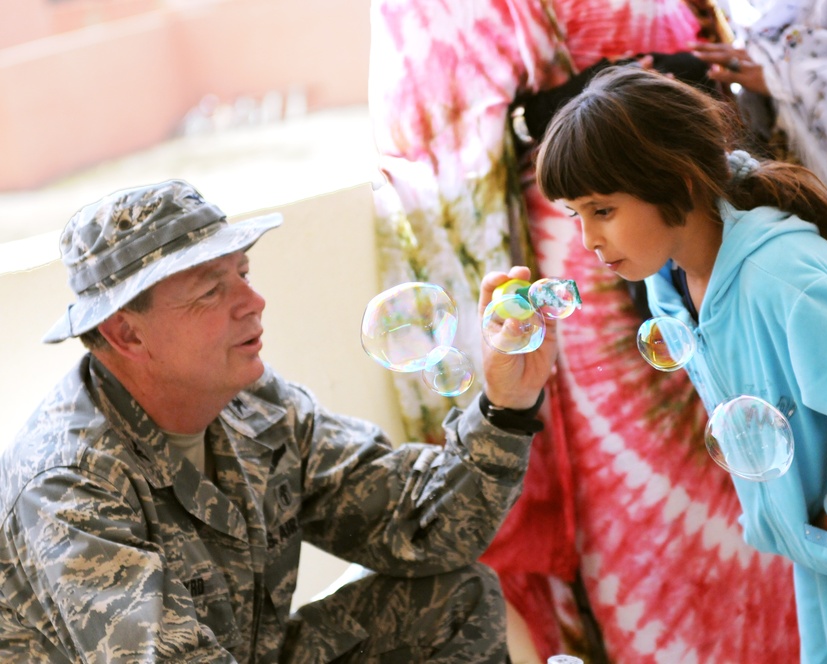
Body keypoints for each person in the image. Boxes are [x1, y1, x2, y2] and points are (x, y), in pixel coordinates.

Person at [0, 179, 558, 663]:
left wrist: (505, 406)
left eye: (242, 272)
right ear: (127, 334)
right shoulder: (67, 484)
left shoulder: (254, 404)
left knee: (453, 599)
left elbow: (420, 525)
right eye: (210, 290)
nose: (254, 300)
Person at [534, 66, 827, 663]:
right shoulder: (671, 283)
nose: (587, 238)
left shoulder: (782, 279)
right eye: (575, 215)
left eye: (603, 210)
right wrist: (814, 527)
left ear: (678, 182)